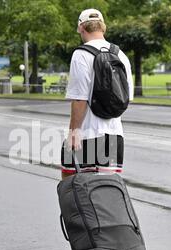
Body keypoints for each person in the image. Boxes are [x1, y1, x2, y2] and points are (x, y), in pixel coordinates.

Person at [61, 8, 134, 179]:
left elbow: (80, 99)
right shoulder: (121, 55)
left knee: (72, 187)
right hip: (115, 137)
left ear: (81, 28)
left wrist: (73, 132)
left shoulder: (81, 54)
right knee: (107, 194)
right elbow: (125, 99)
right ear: (103, 28)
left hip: (87, 135)